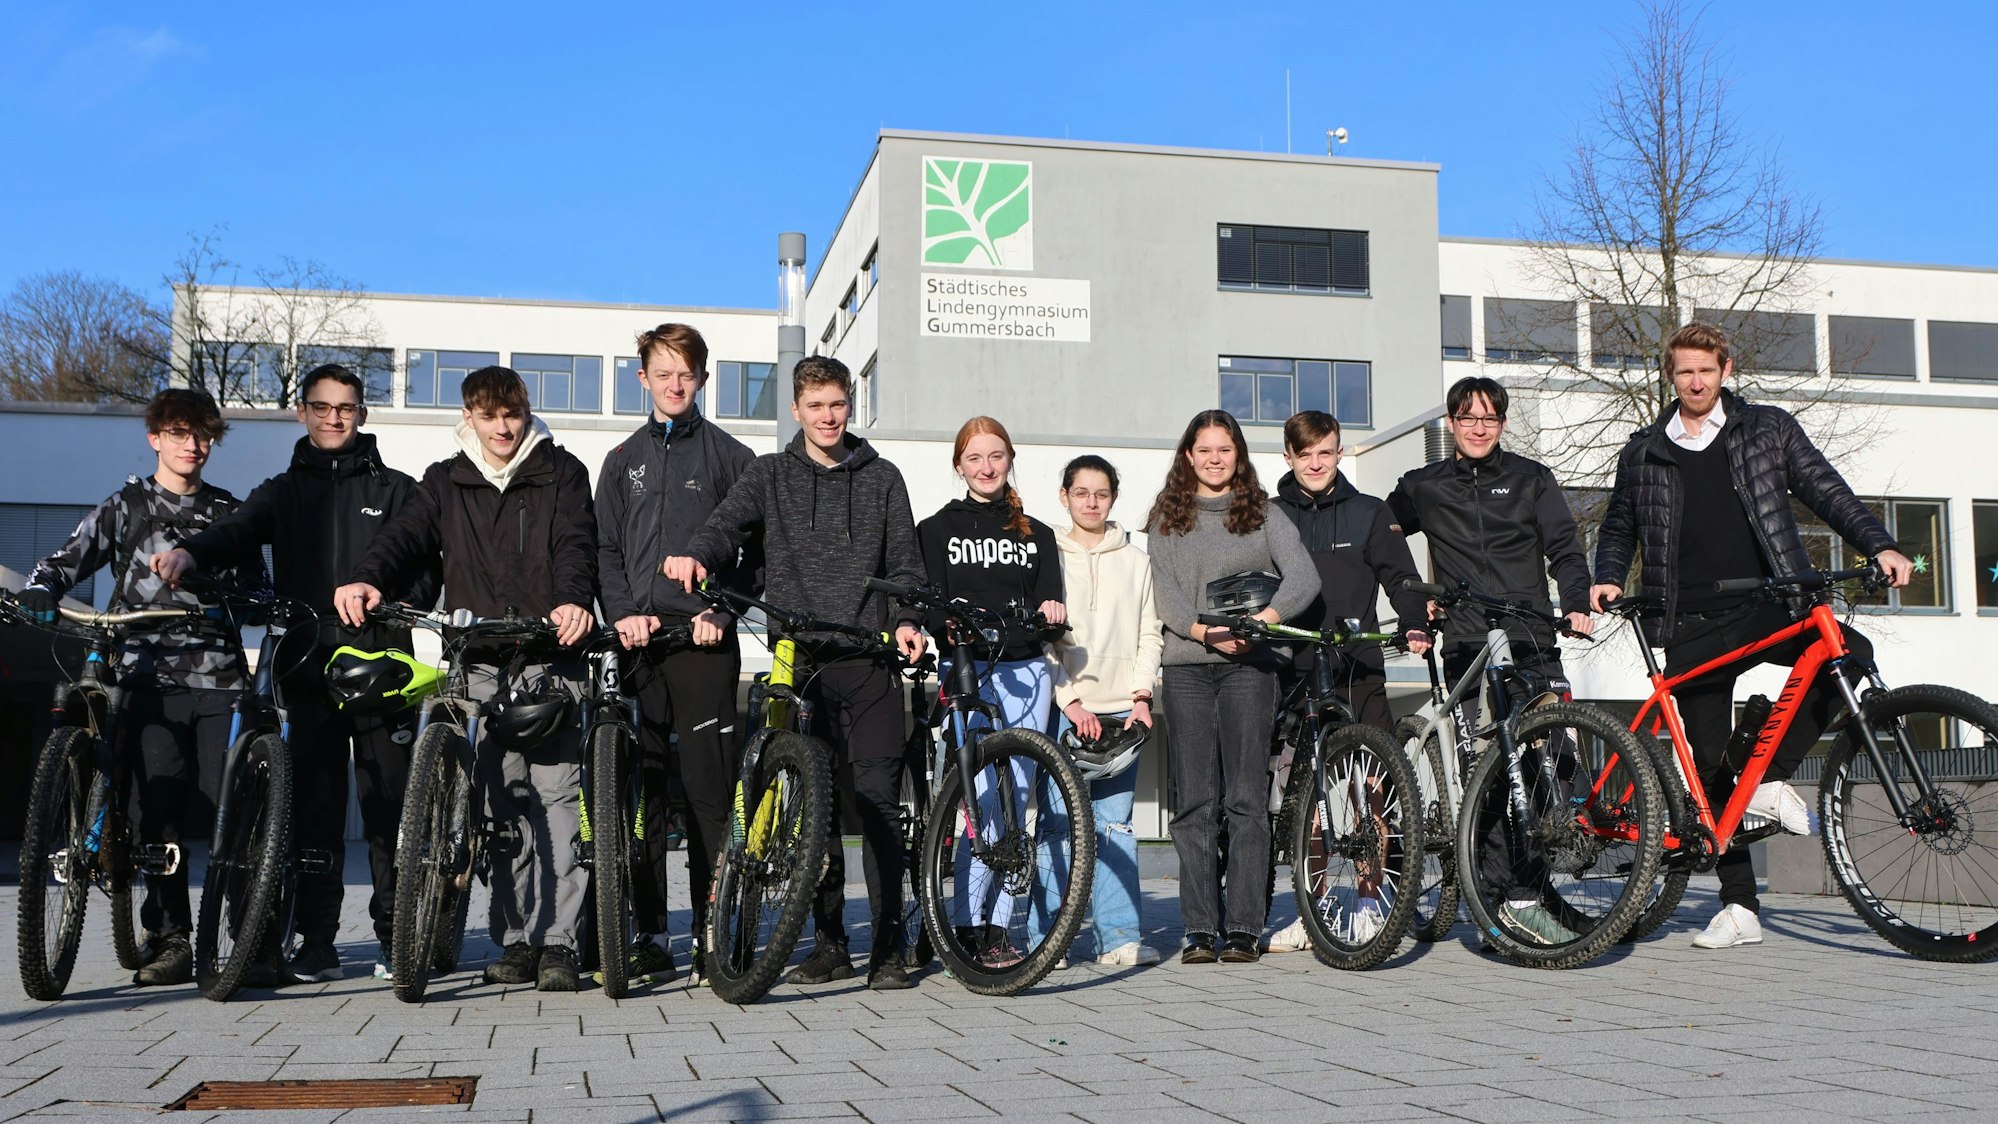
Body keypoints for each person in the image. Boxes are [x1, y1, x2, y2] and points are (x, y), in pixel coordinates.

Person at [1590, 321, 1912, 950]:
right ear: (1671, 377)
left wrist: (1880, 543)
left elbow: (1826, 491)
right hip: (1686, 616)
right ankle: (1738, 907)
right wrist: (1604, 577)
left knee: (1847, 653)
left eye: (1705, 370)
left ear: (1726, 370)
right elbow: (1620, 524)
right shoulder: (1643, 451)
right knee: (1710, 770)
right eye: (1684, 371)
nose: (1695, 381)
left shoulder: (1768, 429)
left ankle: (1771, 775)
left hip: (1771, 602)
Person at [154, 364, 438, 985]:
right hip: (306, 671)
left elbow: (427, 570)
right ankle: (318, 941)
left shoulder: (399, 490)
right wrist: (190, 552)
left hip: (378, 667)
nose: (334, 417)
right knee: (314, 812)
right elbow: (234, 531)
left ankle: (395, 934)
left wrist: (387, 597)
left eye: (346, 407)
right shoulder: (282, 491)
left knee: (389, 810)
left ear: (362, 414)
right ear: (303, 413)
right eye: (322, 406)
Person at [662, 355, 929, 991]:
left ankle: (888, 946)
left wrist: (909, 620)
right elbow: (725, 526)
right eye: (816, 407)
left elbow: (906, 567)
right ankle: (830, 942)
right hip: (798, 656)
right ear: (797, 410)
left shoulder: (883, 477)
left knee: (878, 805)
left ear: (849, 405)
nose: (828, 417)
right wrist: (696, 557)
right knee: (813, 806)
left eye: (837, 404)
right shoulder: (771, 474)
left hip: (868, 658)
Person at [333, 366, 599, 991]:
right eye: (489, 416)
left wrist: (571, 599)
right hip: (478, 658)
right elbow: (404, 537)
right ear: (470, 418)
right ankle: (513, 940)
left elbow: (575, 544)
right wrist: (370, 575)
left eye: (513, 414)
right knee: (501, 807)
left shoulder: (561, 472)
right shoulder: (444, 480)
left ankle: (558, 943)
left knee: (557, 802)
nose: (503, 427)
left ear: (527, 412)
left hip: (547, 654)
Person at [21, 388, 264, 987]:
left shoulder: (229, 515)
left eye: (202, 434)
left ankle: (248, 939)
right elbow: (62, 561)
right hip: (143, 677)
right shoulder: (125, 506)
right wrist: (40, 590)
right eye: (179, 433)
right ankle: (169, 937)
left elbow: (259, 592)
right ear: (155, 437)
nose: (192, 445)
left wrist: (214, 584)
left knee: (233, 812)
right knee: (156, 810)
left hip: (218, 677)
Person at [1387, 375, 1593, 946]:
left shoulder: (1531, 478)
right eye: (1467, 417)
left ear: (1501, 424)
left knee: (1555, 757)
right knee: (1495, 770)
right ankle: (1507, 898)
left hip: (1529, 638)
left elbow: (1566, 548)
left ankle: (1528, 889)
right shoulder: (1423, 485)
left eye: (1490, 418)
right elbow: (1378, 538)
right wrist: (1413, 598)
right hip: (1466, 643)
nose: (1479, 427)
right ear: (1451, 422)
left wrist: (1575, 601)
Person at [594, 323, 758, 985]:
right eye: (663, 373)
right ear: (643, 380)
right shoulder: (620, 460)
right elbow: (605, 551)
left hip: (702, 645)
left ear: (702, 378)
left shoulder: (731, 457)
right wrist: (623, 614)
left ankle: (713, 933)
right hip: (637, 644)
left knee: (707, 797)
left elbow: (760, 554)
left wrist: (725, 612)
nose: (675, 384)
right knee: (643, 798)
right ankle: (650, 934)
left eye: (686, 373)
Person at [1146, 410, 1320, 965]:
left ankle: (1244, 926)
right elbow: (1167, 597)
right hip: (1189, 668)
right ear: (1188, 456)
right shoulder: (1167, 518)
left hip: (1252, 667)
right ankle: (1200, 928)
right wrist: (1207, 634)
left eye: (1226, 449)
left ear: (1238, 455)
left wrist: (1264, 621)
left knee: (1246, 798)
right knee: (1194, 802)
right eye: (1205, 449)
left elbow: (1305, 578)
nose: (1215, 458)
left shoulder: (1264, 514)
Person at [1261, 409, 1428, 954]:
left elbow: (1402, 578)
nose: (1315, 463)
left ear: (1339, 452)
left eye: (1325, 452)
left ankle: (1369, 901)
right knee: (1303, 799)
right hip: (1291, 670)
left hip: (1358, 667)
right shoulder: (1268, 515)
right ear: (1288, 457)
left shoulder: (1370, 513)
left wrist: (1415, 621)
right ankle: (1312, 912)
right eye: (1304, 454)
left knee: (1370, 794)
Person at [915, 417, 1066, 969]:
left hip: (1027, 673)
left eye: (996, 456)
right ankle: (965, 923)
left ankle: (1001, 924)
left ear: (1009, 460)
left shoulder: (1037, 534)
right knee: (975, 805)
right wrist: (939, 627)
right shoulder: (935, 530)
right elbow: (929, 603)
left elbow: (1053, 607)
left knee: (1014, 803)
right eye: (975, 458)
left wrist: (1053, 610)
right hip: (966, 672)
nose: (986, 467)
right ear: (959, 465)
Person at [1035, 454, 1163, 967]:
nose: (1091, 502)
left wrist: (1141, 696)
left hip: (1121, 716)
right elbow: (1041, 639)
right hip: (1064, 711)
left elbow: (1148, 633)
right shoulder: (1048, 554)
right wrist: (1068, 700)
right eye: (1081, 492)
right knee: (1056, 826)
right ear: (1064, 496)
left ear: (1113, 497)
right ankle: (1050, 942)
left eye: (1101, 493)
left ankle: (1120, 938)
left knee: (1114, 828)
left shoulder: (1136, 559)